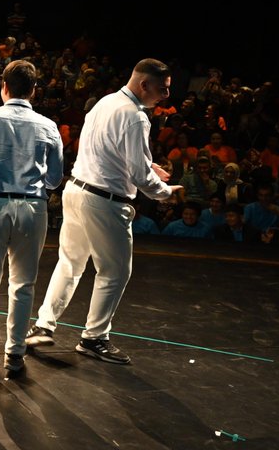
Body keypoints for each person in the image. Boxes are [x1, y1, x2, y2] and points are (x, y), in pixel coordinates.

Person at [26, 59, 182, 364]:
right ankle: (94, 338)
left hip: (77, 190)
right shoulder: (136, 117)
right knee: (115, 272)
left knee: (70, 263)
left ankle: (43, 324)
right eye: (162, 90)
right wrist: (164, 193)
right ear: (144, 85)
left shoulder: (105, 103)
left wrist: (148, 165)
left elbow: (103, 148)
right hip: (105, 201)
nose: (165, 96)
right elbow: (137, 174)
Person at [0, 60, 63, 375]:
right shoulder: (48, 126)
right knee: (23, 284)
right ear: (34, 90)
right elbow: (55, 179)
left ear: (3, 87)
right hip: (31, 207)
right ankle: (15, 353)